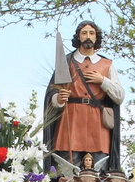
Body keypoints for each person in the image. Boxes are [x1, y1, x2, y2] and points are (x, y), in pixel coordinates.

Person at [43, 20, 125, 170]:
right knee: (68, 172)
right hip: (71, 120)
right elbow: (53, 93)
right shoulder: (67, 62)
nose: (88, 36)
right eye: (84, 33)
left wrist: (103, 81)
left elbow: (119, 96)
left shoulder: (106, 64)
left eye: (92, 33)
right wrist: (58, 99)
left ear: (96, 37)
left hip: (98, 124)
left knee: (99, 172)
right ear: (78, 37)